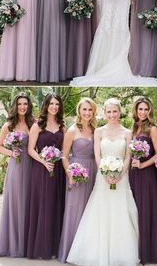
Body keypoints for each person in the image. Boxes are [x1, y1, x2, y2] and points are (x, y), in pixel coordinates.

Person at [67, 98, 139, 266]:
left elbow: (128, 156)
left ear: (120, 112)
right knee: (101, 209)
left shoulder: (127, 133)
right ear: (104, 113)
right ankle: (96, 253)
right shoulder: (98, 132)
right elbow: (97, 156)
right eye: (109, 112)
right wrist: (105, 172)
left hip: (121, 177)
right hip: (102, 177)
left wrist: (120, 174)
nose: (112, 115)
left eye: (115, 111)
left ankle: (121, 254)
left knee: (121, 210)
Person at [58, 98, 97, 263]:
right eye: (84, 109)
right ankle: (70, 251)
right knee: (75, 211)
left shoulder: (96, 129)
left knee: (90, 211)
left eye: (90, 110)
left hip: (93, 171)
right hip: (77, 172)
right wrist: (70, 173)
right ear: (79, 111)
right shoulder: (72, 130)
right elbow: (64, 156)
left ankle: (86, 252)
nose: (87, 113)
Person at [27, 93, 66, 259]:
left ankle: (55, 247)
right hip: (42, 169)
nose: (54, 107)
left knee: (56, 204)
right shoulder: (37, 125)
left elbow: (65, 150)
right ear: (46, 105)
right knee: (44, 205)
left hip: (58, 170)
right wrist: (44, 161)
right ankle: (42, 248)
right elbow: (30, 149)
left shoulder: (62, 125)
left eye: (57, 104)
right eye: (51, 104)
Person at [0, 93, 34, 257]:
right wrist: (11, 153)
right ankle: (12, 244)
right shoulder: (8, 125)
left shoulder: (33, 123)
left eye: (25, 104)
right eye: (19, 104)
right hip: (16, 168)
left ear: (29, 106)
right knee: (15, 202)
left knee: (28, 202)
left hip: (31, 166)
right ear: (15, 105)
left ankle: (27, 244)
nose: (22, 107)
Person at [129, 97, 157, 264]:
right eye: (140, 109)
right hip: (133, 174)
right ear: (135, 110)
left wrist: (143, 165)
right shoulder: (134, 127)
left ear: (150, 111)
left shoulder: (152, 129)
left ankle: (146, 252)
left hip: (147, 174)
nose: (143, 112)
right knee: (134, 210)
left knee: (144, 210)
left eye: (146, 109)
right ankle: (134, 250)